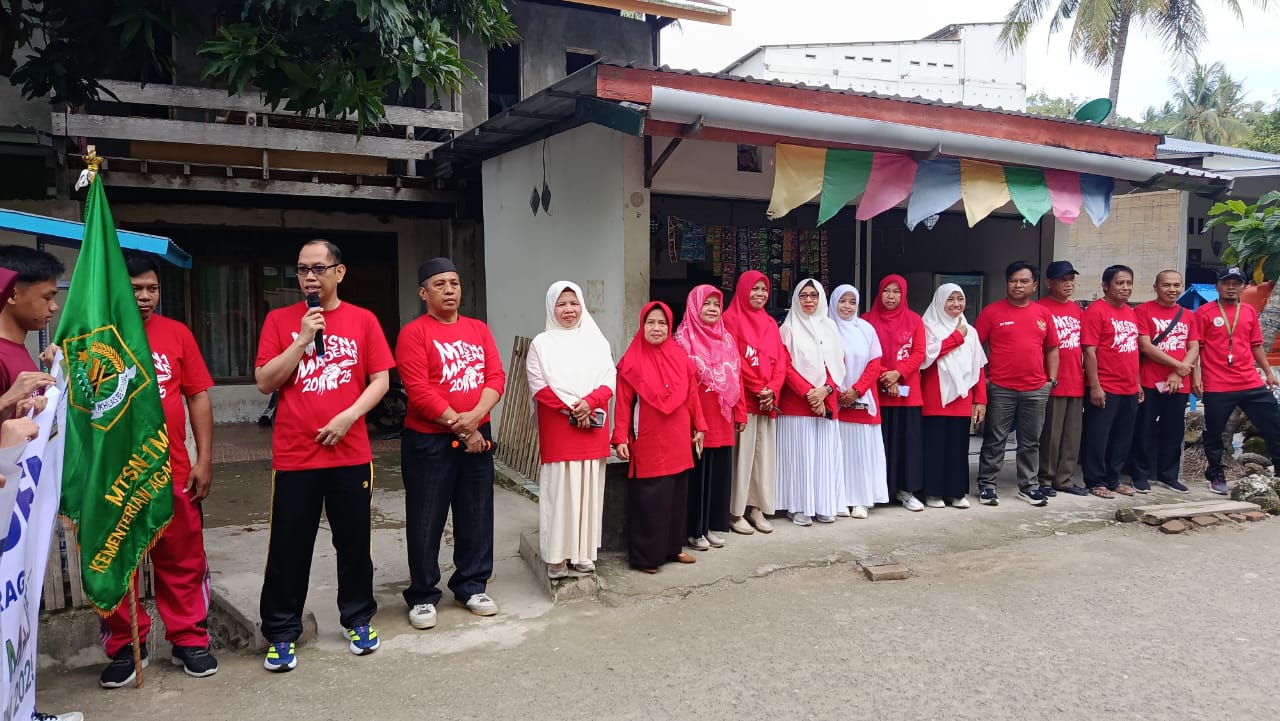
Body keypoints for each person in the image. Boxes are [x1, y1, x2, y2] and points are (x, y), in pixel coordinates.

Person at [254, 240, 394, 672]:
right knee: (288, 548)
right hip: (295, 456)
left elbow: (380, 379)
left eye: (318, 268)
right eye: (302, 269)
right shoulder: (280, 321)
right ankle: (281, 632)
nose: (309, 277)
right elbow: (265, 381)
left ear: (339, 272)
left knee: (354, 545)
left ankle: (358, 619)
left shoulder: (363, 320)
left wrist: (349, 416)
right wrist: (301, 340)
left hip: (350, 454)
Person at [97, 252, 218, 688]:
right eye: (136, 289)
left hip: (172, 470)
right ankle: (125, 646)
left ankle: (189, 639)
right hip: (115, 478)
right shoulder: (98, 336)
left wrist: (204, 459)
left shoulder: (177, 333)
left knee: (183, 559)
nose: (145, 297)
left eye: (152, 289)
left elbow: (197, 396)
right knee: (115, 562)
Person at [398, 257, 506, 626]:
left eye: (454, 283)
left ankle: (472, 585)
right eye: (440, 284)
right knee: (426, 517)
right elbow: (418, 391)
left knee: (476, 513)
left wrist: (475, 419)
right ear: (423, 292)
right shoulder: (414, 333)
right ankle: (422, 594)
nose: (449, 290)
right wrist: (464, 428)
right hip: (429, 442)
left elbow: (496, 377)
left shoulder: (479, 329)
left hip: (477, 436)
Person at [0, 253, 83, 721]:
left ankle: (23, 709)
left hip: (18, 517)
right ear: (13, 293)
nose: (53, 308)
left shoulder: (22, 352)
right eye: (48, 296)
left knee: (16, 624)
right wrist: (8, 400)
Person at [526, 281, 614, 578]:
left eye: (574, 303)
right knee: (560, 491)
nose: (568, 309)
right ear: (551, 307)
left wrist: (590, 404)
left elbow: (608, 379)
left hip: (593, 423)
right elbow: (539, 386)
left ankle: (583, 554)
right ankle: (556, 557)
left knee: (589, 489)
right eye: (561, 304)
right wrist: (574, 409)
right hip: (559, 426)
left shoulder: (597, 341)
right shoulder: (541, 344)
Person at [612, 302, 707, 572]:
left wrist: (699, 426)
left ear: (669, 326)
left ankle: (673, 548)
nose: (657, 328)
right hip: (649, 435)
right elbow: (623, 403)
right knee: (650, 496)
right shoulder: (631, 361)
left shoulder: (680, 356)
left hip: (678, 435)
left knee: (676, 493)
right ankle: (646, 557)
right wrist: (620, 437)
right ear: (642, 326)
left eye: (662, 323)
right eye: (651, 322)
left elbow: (692, 395)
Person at [975, 260, 1060, 507]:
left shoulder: (1042, 313)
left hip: (1036, 389)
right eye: (1013, 281)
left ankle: (1029, 486)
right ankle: (987, 485)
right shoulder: (992, 312)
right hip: (1001, 388)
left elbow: (1052, 348)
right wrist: (984, 379)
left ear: (1034, 285)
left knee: (1030, 441)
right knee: (995, 439)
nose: (1018, 285)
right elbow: (974, 347)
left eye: (1024, 281)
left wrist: (1050, 381)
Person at [1193, 266, 1280, 495]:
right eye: (1226, 283)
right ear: (1217, 286)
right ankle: (1216, 475)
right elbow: (1195, 348)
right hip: (1217, 384)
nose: (1231, 288)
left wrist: (1268, 372)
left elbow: (1256, 345)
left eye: (1236, 283)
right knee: (1214, 433)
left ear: (1243, 287)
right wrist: (1195, 377)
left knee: (1274, 423)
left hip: (1250, 381)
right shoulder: (1204, 313)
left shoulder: (1249, 311)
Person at [674, 285, 747, 551]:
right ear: (694, 306)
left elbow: (736, 376)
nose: (713, 309)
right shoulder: (682, 339)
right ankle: (696, 530)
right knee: (699, 472)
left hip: (722, 415)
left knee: (719, 472)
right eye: (707, 304)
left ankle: (714, 525)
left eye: (717, 304)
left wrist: (740, 410)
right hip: (697, 416)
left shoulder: (726, 339)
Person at [720, 270, 787, 535]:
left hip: (767, 401)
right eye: (755, 288)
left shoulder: (770, 323)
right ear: (742, 289)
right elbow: (734, 359)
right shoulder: (729, 320)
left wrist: (773, 388)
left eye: (764, 289)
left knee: (763, 458)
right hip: (744, 401)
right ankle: (736, 512)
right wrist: (759, 388)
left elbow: (781, 360)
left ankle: (757, 509)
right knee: (743, 457)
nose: (760, 294)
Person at [776, 279, 845, 525]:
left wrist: (825, 390)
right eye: (803, 295)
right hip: (797, 404)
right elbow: (785, 367)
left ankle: (824, 504)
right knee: (800, 459)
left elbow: (838, 364)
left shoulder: (830, 327)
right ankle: (798, 506)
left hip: (826, 402)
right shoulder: (787, 329)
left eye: (813, 295)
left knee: (822, 458)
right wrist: (809, 393)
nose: (808, 300)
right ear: (796, 299)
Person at [920, 284, 988, 508]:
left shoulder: (971, 331)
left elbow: (978, 367)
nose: (956, 304)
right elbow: (927, 356)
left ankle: (956, 492)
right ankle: (933, 493)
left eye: (960, 299)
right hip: (934, 398)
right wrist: (957, 337)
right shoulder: (927, 327)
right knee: (934, 447)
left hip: (961, 398)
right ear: (939, 301)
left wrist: (981, 400)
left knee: (958, 447)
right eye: (950, 299)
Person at [1131, 270, 1198, 494]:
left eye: (1177, 285)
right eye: (1166, 285)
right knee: (1144, 429)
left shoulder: (1188, 315)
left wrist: (1179, 372)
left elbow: (1194, 347)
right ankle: (1140, 475)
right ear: (1156, 287)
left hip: (1179, 384)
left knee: (1174, 431)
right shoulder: (1143, 311)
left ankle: (1169, 475)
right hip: (1150, 381)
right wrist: (1178, 366)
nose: (1172, 289)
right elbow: (1145, 346)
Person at [863, 274, 926, 511]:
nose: (891, 296)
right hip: (876, 393)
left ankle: (905, 491)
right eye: (886, 291)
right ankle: (875, 491)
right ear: (879, 293)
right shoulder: (866, 321)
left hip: (907, 395)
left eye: (896, 292)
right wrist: (885, 376)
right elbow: (865, 354)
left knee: (906, 446)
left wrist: (897, 373)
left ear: (904, 294)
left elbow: (919, 353)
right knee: (877, 445)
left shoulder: (914, 320)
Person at [1081, 265, 1143, 499]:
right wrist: (1095, 386)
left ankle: (1113, 479)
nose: (1125, 287)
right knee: (1098, 437)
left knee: (1122, 437)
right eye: (1119, 283)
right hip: (1105, 386)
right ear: (1105, 286)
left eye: (1128, 283)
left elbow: (1133, 350)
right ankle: (1095, 481)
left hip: (1129, 386)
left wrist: (1137, 383)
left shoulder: (1130, 312)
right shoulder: (1096, 311)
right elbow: (1089, 351)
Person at [827, 285, 888, 518]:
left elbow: (874, 364)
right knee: (837, 453)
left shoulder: (866, 329)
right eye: (842, 301)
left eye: (852, 302)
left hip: (862, 400)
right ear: (833, 302)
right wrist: (837, 390)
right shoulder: (827, 328)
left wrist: (857, 390)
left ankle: (861, 499)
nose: (847, 306)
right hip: (835, 400)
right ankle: (839, 499)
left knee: (860, 454)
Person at [1037, 261, 1088, 496]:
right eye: (1062, 280)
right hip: (1052, 380)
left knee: (1072, 436)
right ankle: (1045, 478)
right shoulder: (1040, 308)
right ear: (1049, 283)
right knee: (1051, 435)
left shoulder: (1077, 310)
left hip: (1076, 379)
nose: (1068, 284)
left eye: (1071, 279)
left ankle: (1065, 479)